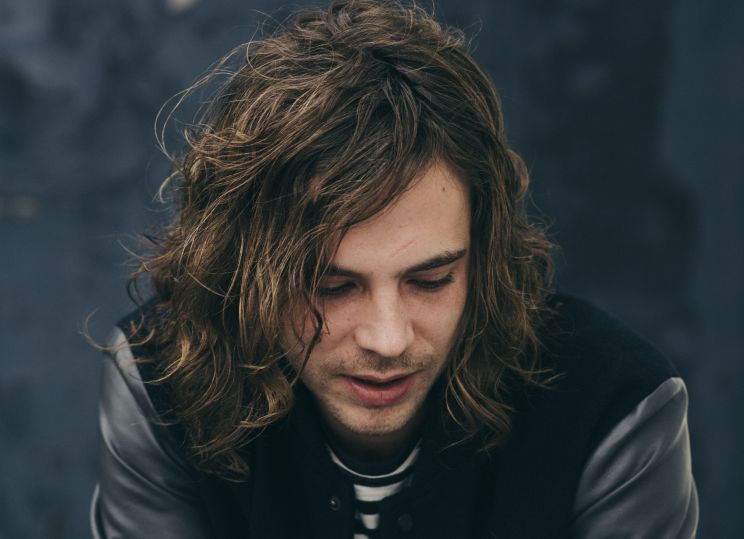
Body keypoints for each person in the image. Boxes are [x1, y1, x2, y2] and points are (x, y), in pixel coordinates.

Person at [90, 1, 698, 537]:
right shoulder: (163, 383)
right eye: (332, 287)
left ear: (483, 256)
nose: (389, 339)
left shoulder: (616, 409)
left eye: (431, 281)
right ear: (246, 270)